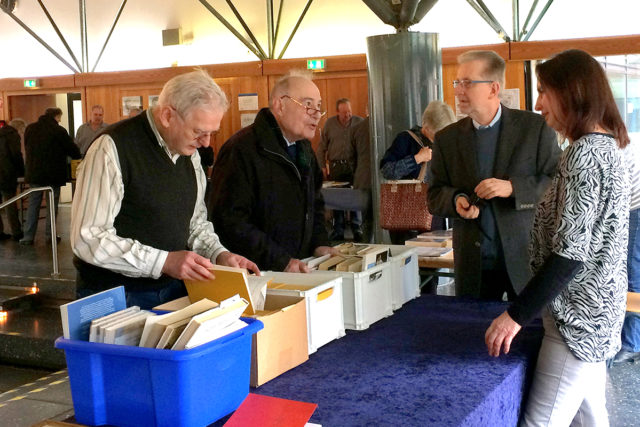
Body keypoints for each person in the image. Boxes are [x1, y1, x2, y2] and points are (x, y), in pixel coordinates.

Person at [485, 49, 630, 426]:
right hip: (595, 313)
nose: (538, 103)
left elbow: (570, 254)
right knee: (591, 417)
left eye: (544, 92)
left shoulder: (585, 154)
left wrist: (514, 316)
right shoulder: (604, 147)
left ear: (573, 93)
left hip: (578, 320)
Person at [71, 70, 258, 309]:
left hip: (172, 289)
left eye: (211, 133)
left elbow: (195, 223)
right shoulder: (111, 148)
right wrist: (163, 261)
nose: (206, 143)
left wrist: (219, 254)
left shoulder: (189, 154)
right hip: (113, 296)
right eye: (199, 132)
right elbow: (89, 237)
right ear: (168, 116)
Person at [428, 50, 561, 300]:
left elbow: (557, 183)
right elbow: (434, 195)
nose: (458, 91)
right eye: (457, 83)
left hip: (524, 259)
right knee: (472, 334)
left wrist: (513, 188)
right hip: (473, 263)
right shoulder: (446, 139)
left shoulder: (535, 129)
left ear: (493, 88)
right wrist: (456, 200)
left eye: (467, 83)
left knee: (527, 334)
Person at [208, 71, 337, 272]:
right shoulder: (241, 150)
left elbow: (315, 205)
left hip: (298, 268)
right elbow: (229, 221)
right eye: (308, 105)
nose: (316, 114)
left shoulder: (304, 150)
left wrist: (319, 243)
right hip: (257, 274)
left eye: (319, 106)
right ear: (280, 105)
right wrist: (280, 260)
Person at [381, 100, 456, 244]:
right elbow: (387, 171)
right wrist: (416, 159)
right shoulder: (405, 140)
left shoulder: (447, 144)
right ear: (426, 126)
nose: (442, 138)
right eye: (438, 133)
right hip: (407, 220)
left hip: (439, 218)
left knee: (437, 263)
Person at [21, 108, 81, 245]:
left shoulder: (30, 128)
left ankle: (28, 236)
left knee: (33, 205)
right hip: (53, 175)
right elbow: (73, 150)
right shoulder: (59, 130)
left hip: (34, 173)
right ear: (57, 116)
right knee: (51, 207)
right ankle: (50, 235)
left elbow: (27, 146)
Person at [316, 98, 364, 242]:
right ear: (337, 112)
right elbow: (321, 147)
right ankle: (338, 229)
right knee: (337, 198)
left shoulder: (359, 122)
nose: (347, 115)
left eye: (349, 111)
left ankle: (357, 227)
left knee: (355, 196)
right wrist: (322, 166)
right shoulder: (330, 124)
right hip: (336, 166)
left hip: (354, 165)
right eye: (343, 112)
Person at [613, 139, 640, 364]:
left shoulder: (610, 142)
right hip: (633, 208)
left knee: (632, 275)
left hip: (635, 209)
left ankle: (632, 342)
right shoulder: (614, 136)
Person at [0, 118, 26, 241]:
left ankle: (0, 232)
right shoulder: (12, 135)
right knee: (10, 203)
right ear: (19, 128)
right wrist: (22, 171)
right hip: (7, 174)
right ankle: (16, 231)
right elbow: (16, 155)